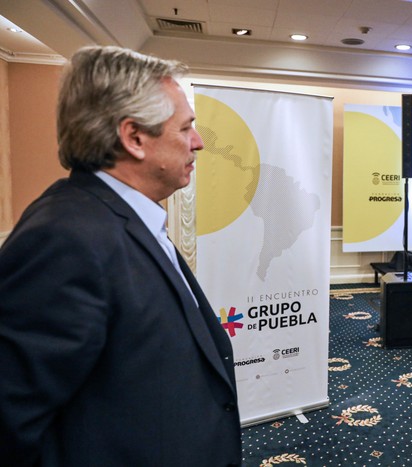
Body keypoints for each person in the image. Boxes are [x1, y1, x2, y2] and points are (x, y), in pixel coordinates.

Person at [0, 46, 242, 466]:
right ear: (134, 138)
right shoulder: (65, 239)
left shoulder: (121, 217)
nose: (198, 143)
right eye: (186, 128)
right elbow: (12, 422)